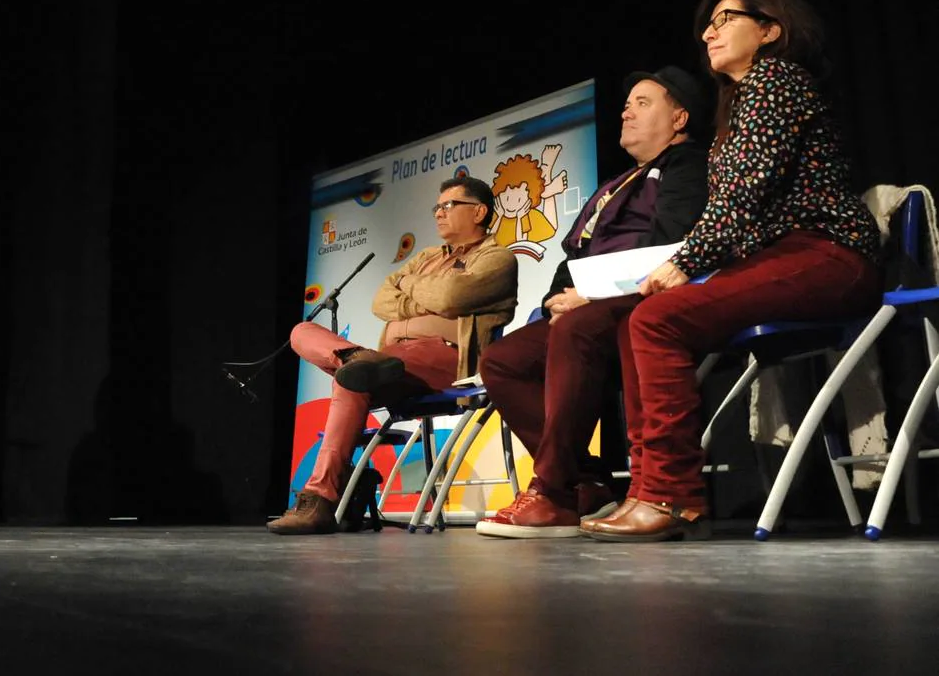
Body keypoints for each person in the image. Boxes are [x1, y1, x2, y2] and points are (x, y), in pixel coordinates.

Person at [582, 0, 884, 542]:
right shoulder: (741, 104)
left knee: (655, 317)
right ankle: (645, 487)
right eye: (707, 23)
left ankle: (670, 495)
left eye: (725, 18)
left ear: (769, 30)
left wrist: (687, 261)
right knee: (634, 320)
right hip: (782, 258)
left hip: (826, 253)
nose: (708, 32)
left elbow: (743, 194)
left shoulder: (776, 79)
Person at [474, 66, 711, 538]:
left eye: (644, 102)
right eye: (628, 102)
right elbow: (572, 256)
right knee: (502, 360)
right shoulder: (615, 184)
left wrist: (591, 295)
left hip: (645, 299)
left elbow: (673, 244)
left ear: (680, 118)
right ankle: (586, 481)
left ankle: (552, 492)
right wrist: (555, 298)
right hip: (586, 305)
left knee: (575, 329)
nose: (627, 109)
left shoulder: (687, 166)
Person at [269, 175, 518, 535]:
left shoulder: (497, 259)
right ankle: (355, 359)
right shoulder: (426, 258)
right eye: (437, 206)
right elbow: (380, 300)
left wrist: (411, 288)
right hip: (391, 360)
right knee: (302, 333)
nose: (439, 213)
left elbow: (451, 299)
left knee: (353, 378)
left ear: (479, 211)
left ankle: (320, 499)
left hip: (445, 360)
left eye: (449, 205)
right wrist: (424, 292)